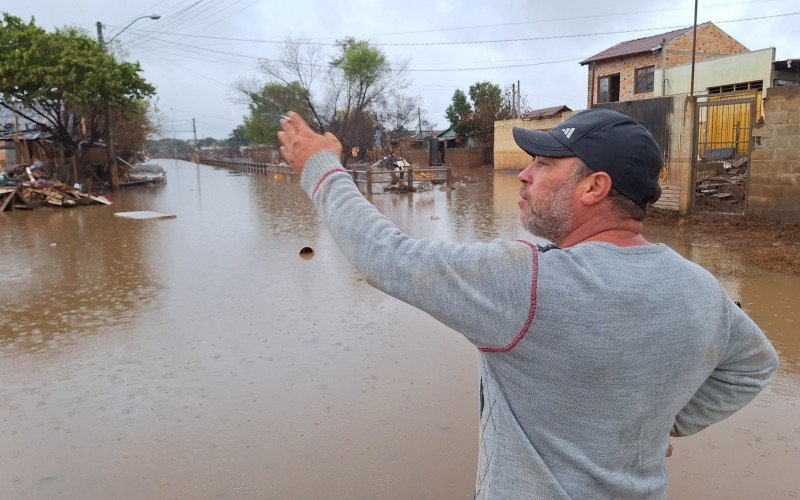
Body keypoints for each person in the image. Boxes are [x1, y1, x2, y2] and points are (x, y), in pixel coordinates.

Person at [277, 108, 778, 499]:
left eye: (544, 163)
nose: (523, 174)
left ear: (594, 187)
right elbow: (755, 366)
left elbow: (385, 256)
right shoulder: (699, 288)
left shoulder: (531, 283)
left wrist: (320, 167)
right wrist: (662, 423)